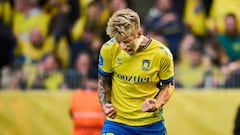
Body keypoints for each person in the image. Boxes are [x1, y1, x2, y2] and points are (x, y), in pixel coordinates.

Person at [98, 8, 175, 135]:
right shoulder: (108, 49)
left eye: (127, 41)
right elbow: (103, 83)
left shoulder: (162, 54)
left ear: (139, 33)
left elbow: (168, 86)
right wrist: (105, 105)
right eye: (119, 42)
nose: (123, 46)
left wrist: (156, 104)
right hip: (117, 123)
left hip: (150, 125)